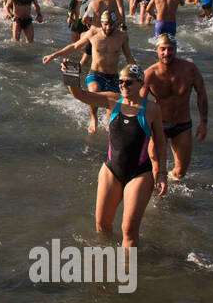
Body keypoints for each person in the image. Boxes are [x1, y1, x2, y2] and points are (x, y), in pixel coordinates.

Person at [60, 64, 167, 248]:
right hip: (111, 170)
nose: (123, 85)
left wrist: (162, 173)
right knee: (102, 225)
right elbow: (80, 95)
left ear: (140, 83)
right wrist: (70, 74)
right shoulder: (113, 100)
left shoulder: (151, 109)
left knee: (129, 231)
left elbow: (160, 143)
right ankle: (107, 266)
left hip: (139, 174)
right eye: (121, 82)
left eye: (128, 82)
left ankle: (127, 271)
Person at [43, 11, 136, 134]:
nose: (108, 28)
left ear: (116, 24)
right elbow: (75, 46)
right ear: (101, 23)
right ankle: (94, 118)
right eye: (106, 24)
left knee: (112, 114)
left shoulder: (122, 36)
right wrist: (54, 55)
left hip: (114, 77)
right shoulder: (93, 33)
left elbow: (129, 57)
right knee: (93, 91)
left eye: (111, 25)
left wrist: (139, 76)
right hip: (96, 74)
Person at [142, 34, 208, 179]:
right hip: (159, 125)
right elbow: (139, 103)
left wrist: (203, 122)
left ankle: (170, 188)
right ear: (157, 51)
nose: (167, 53)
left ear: (176, 50)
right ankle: (156, 198)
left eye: (170, 49)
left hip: (183, 125)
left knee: (180, 173)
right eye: (163, 49)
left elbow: (201, 93)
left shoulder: (190, 70)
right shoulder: (149, 75)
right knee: (157, 170)